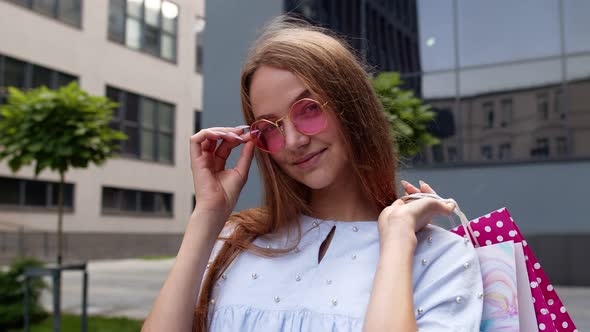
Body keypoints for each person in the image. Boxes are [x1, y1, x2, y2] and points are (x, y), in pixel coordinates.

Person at [142, 16, 483, 332]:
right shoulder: (236, 240)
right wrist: (208, 215)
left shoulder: (439, 256)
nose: (293, 141)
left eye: (308, 109)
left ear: (352, 105)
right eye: (270, 127)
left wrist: (396, 240)